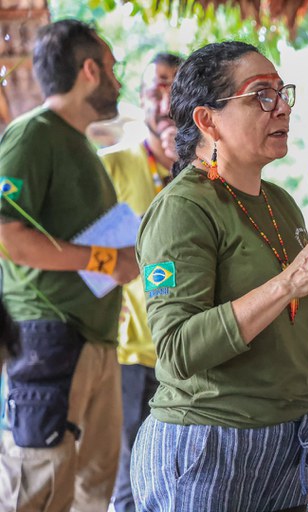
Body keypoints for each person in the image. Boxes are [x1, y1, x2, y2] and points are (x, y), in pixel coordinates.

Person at [130, 41, 308, 512]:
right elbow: (177, 351)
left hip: (285, 441)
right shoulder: (183, 208)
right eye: (261, 95)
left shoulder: (279, 202)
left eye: (282, 92)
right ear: (207, 120)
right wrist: (287, 283)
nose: (281, 107)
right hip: (210, 445)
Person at [0, 19, 139, 511]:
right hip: (49, 336)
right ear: (89, 70)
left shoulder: (83, 145)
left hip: (95, 341)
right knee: (39, 488)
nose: (118, 81)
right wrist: (107, 259)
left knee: (91, 491)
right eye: (113, 69)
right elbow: (10, 237)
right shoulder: (31, 136)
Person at [100, 51, 183, 512]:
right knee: (129, 477)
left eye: (174, 88)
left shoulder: (206, 170)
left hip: (187, 348)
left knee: (177, 472)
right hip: (127, 347)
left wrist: (184, 166)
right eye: (154, 90)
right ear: (141, 99)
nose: (163, 100)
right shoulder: (110, 165)